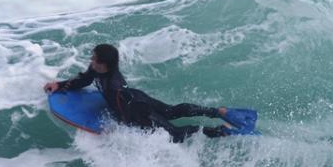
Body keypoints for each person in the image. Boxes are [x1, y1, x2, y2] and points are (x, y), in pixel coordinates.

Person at [44, 44, 228, 142]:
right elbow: (84, 80)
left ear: (104, 64)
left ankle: (219, 131)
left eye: (94, 59)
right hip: (137, 97)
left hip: (138, 109)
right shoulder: (97, 70)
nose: (91, 61)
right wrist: (59, 85)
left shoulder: (114, 86)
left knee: (175, 134)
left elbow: (123, 111)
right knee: (171, 111)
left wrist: (119, 128)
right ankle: (216, 112)